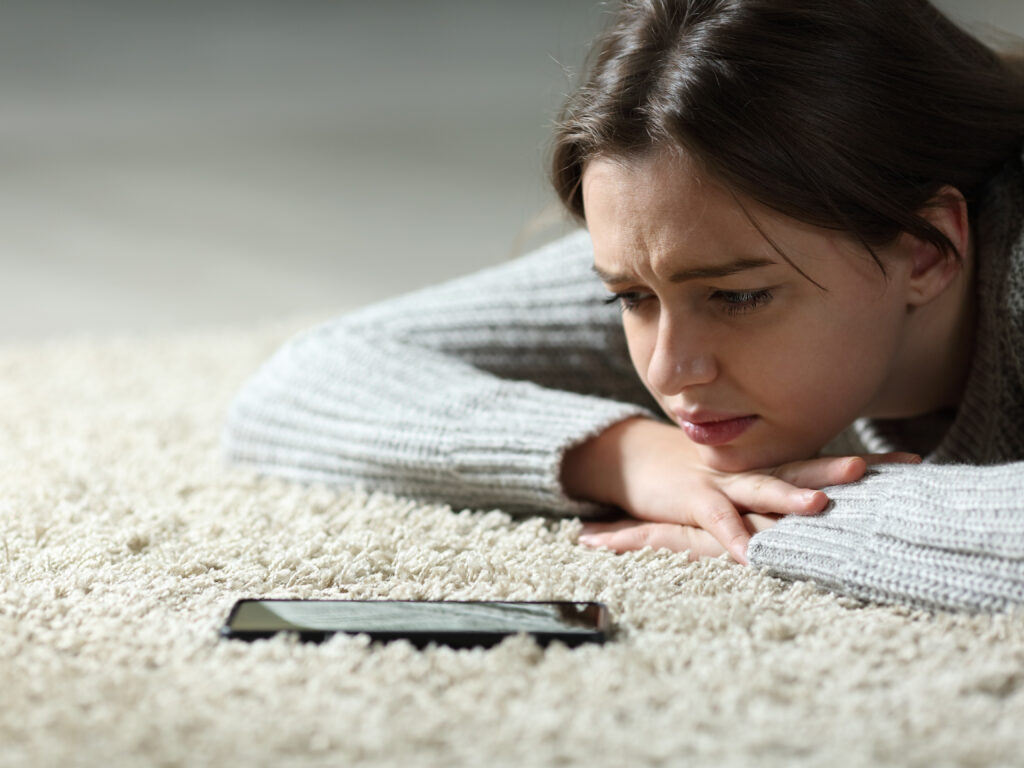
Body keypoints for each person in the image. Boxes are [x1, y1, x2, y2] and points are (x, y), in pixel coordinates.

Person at [224, 0, 1024, 613]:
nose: (672, 371)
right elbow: (299, 386)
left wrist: (806, 515)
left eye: (739, 296)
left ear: (925, 248)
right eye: (630, 298)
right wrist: (639, 460)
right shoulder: (692, 233)